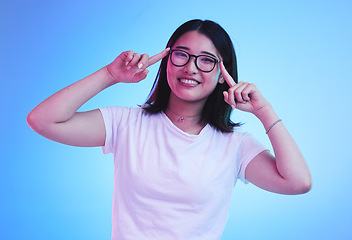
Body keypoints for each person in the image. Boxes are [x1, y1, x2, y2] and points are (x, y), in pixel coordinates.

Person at [27, 19, 312, 240]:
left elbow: (298, 183)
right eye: (181, 55)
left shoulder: (235, 145)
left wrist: (264, 112)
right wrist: (110, 75)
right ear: (166, 61)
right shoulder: (126, 123)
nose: (191, 67)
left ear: (222, 74)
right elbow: (42, 120)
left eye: (206, 60)